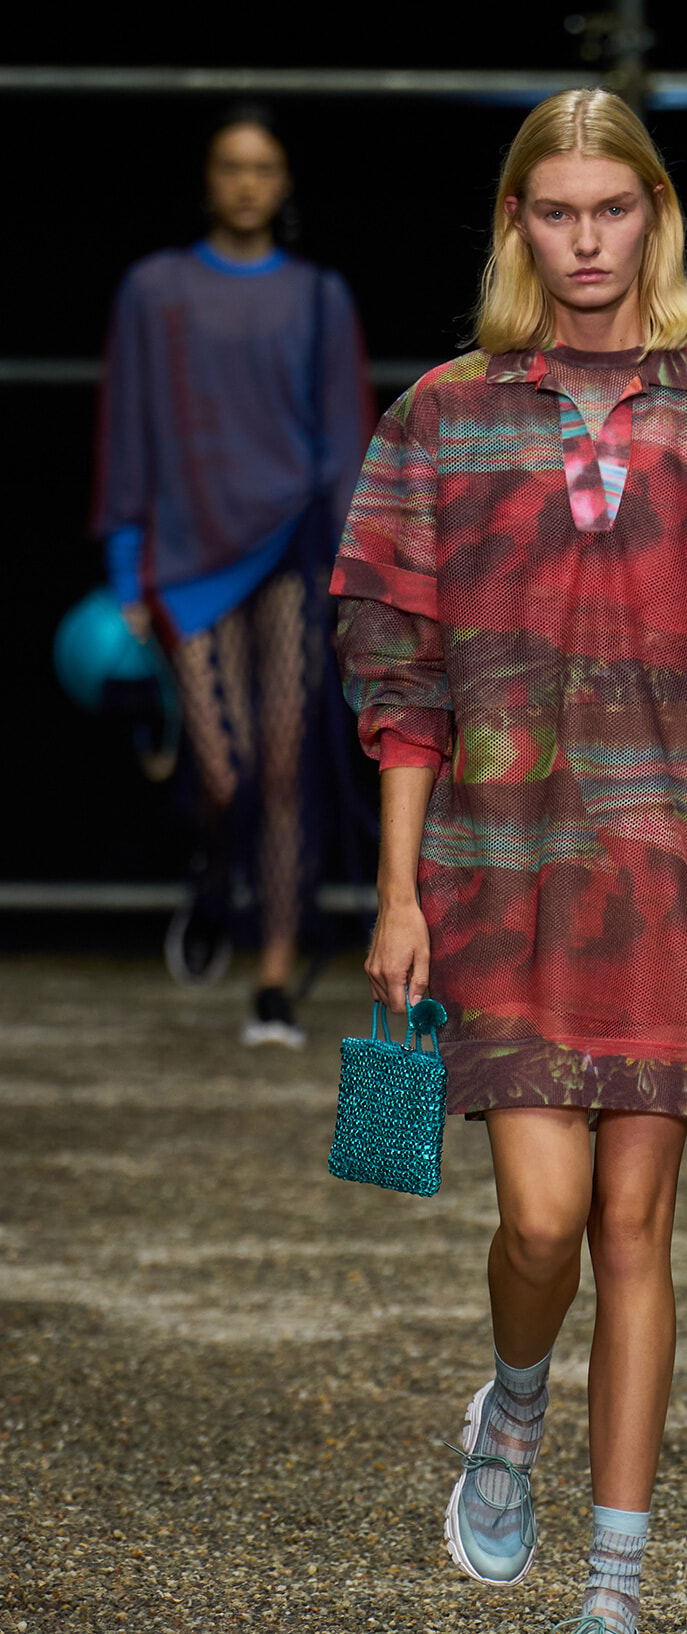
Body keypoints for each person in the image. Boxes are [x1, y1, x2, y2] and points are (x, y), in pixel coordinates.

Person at [332, 87, 687, 1634]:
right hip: (499, 861)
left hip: (679, 862)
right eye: (559, 210)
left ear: (657, 212)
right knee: (538, 1218)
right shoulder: (442, 418)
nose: (590, 240)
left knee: (633, 1223)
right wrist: (398, 885)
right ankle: (513, 1400)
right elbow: (394, 662)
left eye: (616, 207)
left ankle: (611, 1608)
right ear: (516, 223)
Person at [93, 105, 374, 1045]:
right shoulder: (154, 289)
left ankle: (275, 978)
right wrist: (125, 562)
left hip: (290, 542)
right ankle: (216, 877)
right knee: (225, 770)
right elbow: (127, 425)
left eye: (264, 167)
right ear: (208, 178)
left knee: (288, 768)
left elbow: (344, 442)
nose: (247, 183)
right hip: (185, 549)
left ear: (285, 183)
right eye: (230, 165)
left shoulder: (319, 296)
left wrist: (360, 577)